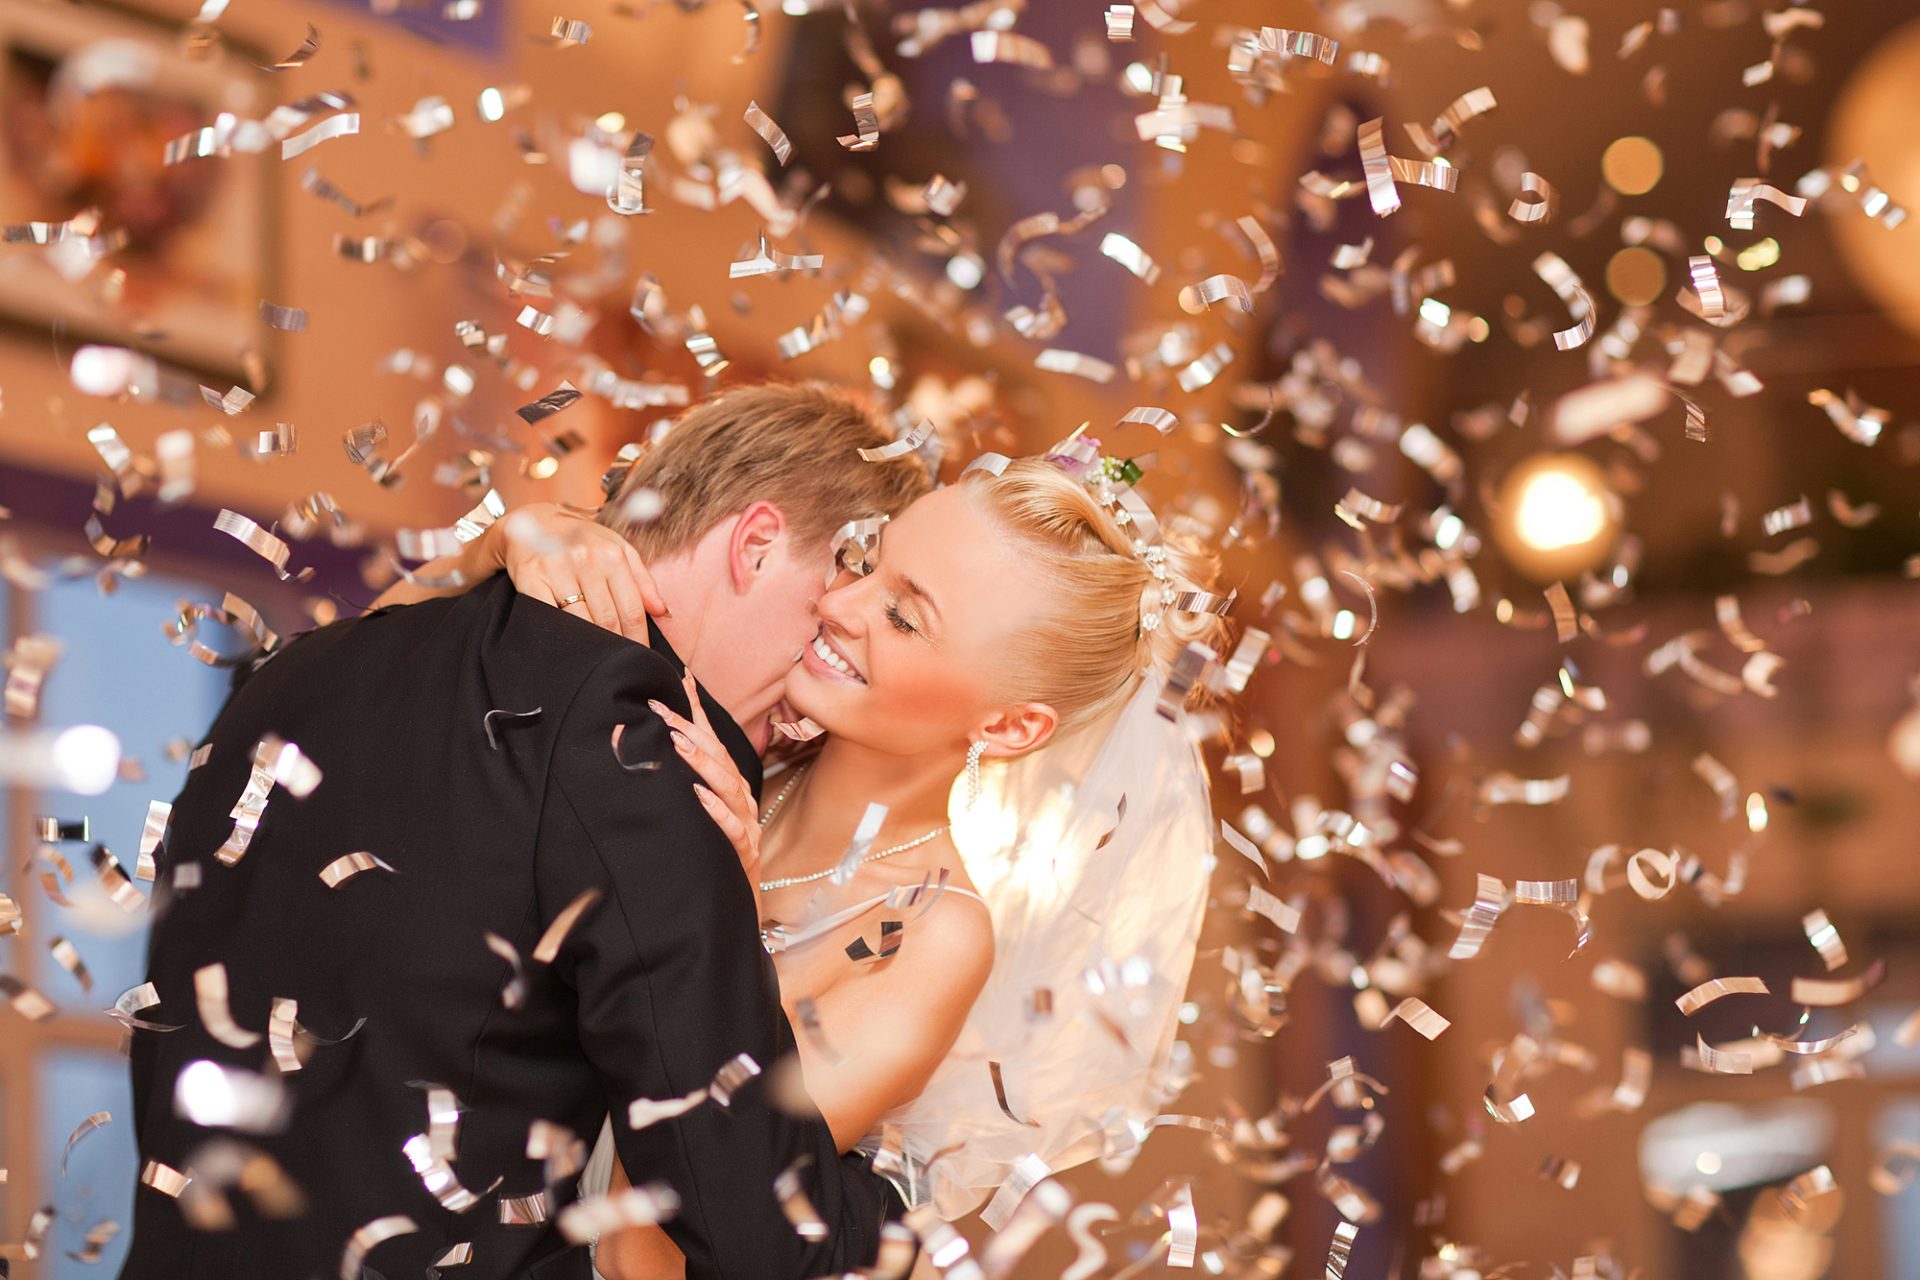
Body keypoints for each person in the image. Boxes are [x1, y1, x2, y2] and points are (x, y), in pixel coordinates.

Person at [120, 383, 930, 1280]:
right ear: (757, 544)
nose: (821, 678)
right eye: (829, 620)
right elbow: (751, 1217)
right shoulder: (635, 741)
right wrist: (912, 1214)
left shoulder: (304, 666)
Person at [434, 433, 1230, 1279]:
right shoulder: (749, 738)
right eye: (867, 562)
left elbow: (654, 1236)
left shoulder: (932, 933)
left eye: (903, 616)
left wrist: (714, 919)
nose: (840, 605)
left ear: (1008, 726)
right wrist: (505, 541)